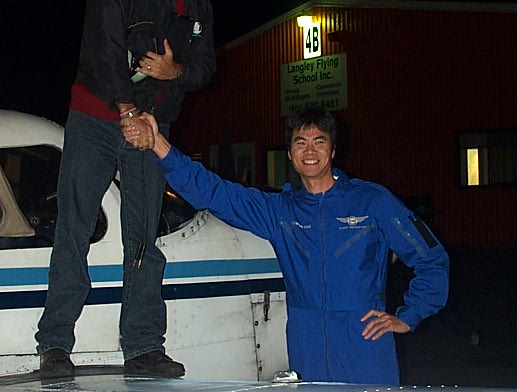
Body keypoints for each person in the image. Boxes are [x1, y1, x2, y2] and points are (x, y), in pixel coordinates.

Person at [124, 106, 449, 385]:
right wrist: (159, 144)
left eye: (319, 142)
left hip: (364, 339)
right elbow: (213, 192)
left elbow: (431, 258)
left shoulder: (372, 201)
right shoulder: (280, 211)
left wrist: (410, 315)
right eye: (301, 142)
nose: (310, 151)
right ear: (291, 154)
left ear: (333, 150)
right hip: (305, 340)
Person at [35, 0, 216, 379]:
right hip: (97, 118)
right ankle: (54, 345)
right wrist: (128, 110)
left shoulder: (198, 2)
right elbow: (102, 47)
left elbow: (203, 69)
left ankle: (141, 347)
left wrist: (175, 69)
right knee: (74, 227)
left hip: (153, 130)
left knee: (144, 235)